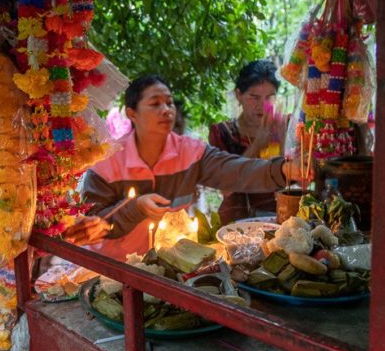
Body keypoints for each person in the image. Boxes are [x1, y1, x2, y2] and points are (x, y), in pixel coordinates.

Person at [70, 75, 303, 261]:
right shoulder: (108, 160)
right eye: (155, 104)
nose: (167, 110)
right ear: (132, 113)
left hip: (171, 264)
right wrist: (136, 208)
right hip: (116, 269)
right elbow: (92, 223)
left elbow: (237, 170)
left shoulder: (190, 153)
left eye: (169, 102)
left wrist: (283, 170)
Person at [208, 59, 287, 223]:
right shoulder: (222, 133)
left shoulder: (283, 126)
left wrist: (281, 141)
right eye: (254, 97)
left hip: (276, 219)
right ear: (239, 95)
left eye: (269, 97)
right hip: (234, 223)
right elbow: (226, 189)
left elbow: (290, 178)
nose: (262, 105)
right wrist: (258, 143)